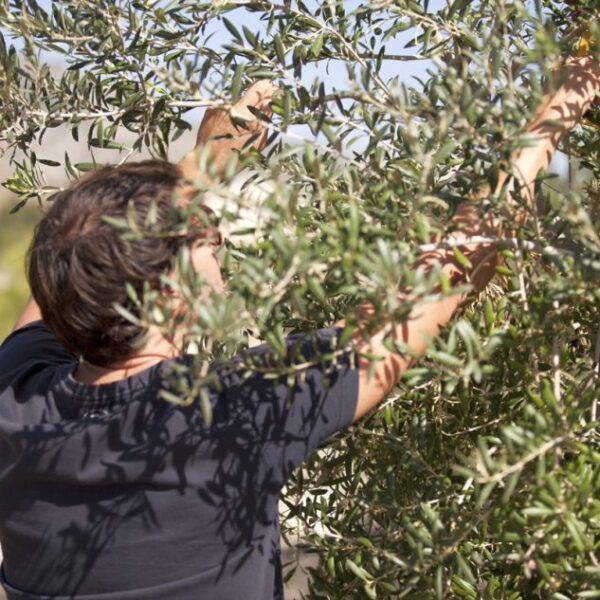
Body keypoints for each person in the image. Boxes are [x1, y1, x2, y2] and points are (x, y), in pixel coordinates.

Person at [0, 55, 599, 600]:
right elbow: (444, 275)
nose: (218, 241)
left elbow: (75, 263)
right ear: (165, 294)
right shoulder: (229, 416)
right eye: (204, 243)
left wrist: (203, 169)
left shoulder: (15, 398)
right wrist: (553, 116)